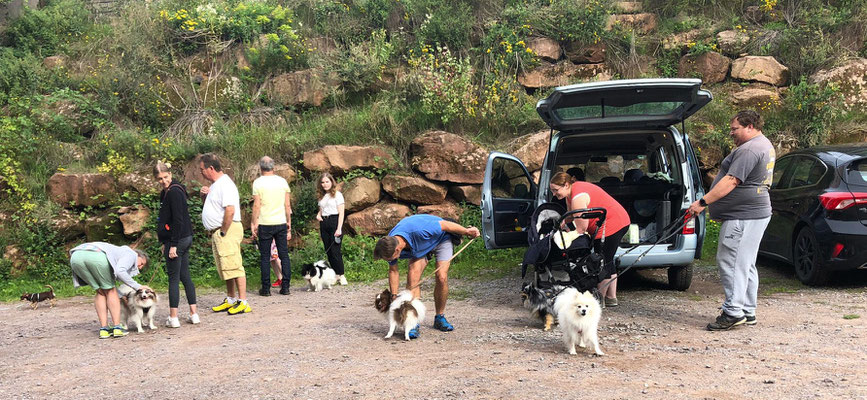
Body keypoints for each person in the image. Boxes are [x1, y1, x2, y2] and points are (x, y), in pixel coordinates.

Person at [688, 110, 775, 331]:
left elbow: (731, 181)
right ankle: (747, 310)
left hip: (743, 216)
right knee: (745, 263)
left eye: (735, 128)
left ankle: (733, 312)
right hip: (753, 213)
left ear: (750, 127)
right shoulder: (763, 144)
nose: (731, 133)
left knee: (731, 261)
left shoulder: (750, 149)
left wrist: (702, 202)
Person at [373, 214, 481, 339]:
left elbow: (444, 224)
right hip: (420, 248)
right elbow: (393, 271)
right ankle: (414, 322)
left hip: (440, 239)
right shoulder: (388, 245)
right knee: (413, 275)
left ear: (397, 250)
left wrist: (467, 231)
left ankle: (439, 317)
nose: (389, 260)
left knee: (441, 276)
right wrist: (394, 297)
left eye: (389, 258)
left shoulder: (421, 230)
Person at [549, 171, 630, 307]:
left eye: (556, 190)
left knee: (600, 262)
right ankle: (611, 297)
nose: (554, 194)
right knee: (607, 260)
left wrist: (568, 237)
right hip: (619, 219)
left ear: (566, 185)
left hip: (612, 224)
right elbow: (570, 216)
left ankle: (598, 301)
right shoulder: (572, 192)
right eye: (552, 191)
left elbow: (581, 228)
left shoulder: (578, 197)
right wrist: (560, 225)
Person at [199, 153, 251, 314]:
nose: (201, 173)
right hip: (219, 231)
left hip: (227, 230)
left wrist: (223, 230)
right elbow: (214, 207)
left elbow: (230, 209)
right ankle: (231, 298)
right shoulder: (215, 185)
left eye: (202, 169)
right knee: (225, 266)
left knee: (234, 264)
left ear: (211, 168)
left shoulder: (225, 184)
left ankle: (243, 301)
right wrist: (203, 197)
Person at [69, 242, 150, 339]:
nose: (139, 267)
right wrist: (138, 287)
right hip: (96, 256)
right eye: (141, 263)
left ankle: (104, 330)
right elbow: (120, 271)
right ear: (138, 255)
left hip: (75, 257)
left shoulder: (118, 251)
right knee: (110, 291)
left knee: (101, 291)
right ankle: (117, 328)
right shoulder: (130, 253)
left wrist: (121, 295)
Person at [153, 161, 199, 328]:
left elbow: (178, 220)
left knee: (173, 278)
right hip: (182, 238)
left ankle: (174, 317)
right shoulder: (168, 192)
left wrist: (172, 245)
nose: (163, 181)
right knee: (185, 276)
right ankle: (194, 314)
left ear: (170, 175)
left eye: (165, 177)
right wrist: (165, 241)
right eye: (159, 179)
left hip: (179, 239)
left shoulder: (174, 192)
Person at [250, 156, 292, 296]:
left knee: (265, 256)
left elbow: (257, 205)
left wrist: (254, 223)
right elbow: (287, 205)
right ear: (274, 167)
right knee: (284, 255)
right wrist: (289, 222)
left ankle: (266, 288)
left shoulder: (258, 183)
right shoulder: (282, 182)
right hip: (280, 222)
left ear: (260, 168)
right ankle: (285, 287)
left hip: (265, 223)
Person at [315, 173, 347, 285]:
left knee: (335, 251)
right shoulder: (321, 196)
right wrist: (319, 214)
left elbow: (341, 212)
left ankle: (341, 275)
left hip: (335, 221)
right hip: (324, 223)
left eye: (327, 182)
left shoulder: (338, 195)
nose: (325, 184)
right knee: (328, 251)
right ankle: (335, 275)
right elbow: (322, 208)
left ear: (332, 182)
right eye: (322, 182)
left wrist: (339, 229)